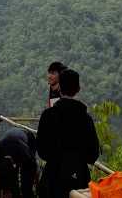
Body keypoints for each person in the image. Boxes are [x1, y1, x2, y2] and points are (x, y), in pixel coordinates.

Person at [37, 69, 99, 198]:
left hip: (53, 178)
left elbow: (42, 151)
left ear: (59, 88)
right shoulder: (85, 118)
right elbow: (93, 155)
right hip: (79, 179)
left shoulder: (48, 115)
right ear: (78, 89)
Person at [0, 126, 38, 198]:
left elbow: (31, 165)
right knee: (9, 178)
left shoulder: (24, 152)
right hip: (12, 138)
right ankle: (14, 191)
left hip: (28, 138)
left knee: (26, 184)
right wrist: (6, 188)